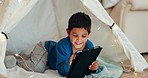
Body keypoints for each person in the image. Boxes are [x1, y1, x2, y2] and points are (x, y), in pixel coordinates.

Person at [44, 12, 102, 77]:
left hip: (55, 50)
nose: (79, 40)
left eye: (83, 36)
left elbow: (89, 66)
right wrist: (70, 63)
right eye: (75, 35)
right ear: (68, 32)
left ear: (88, 34)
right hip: (45, 51)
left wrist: (94, 69)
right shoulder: (62, 46)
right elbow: (61, 71)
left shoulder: (89, 46)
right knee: (35, 67)